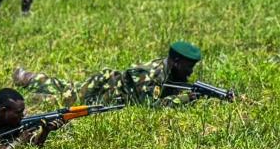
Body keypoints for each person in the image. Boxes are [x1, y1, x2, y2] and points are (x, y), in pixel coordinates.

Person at [12, 41, 207, 107]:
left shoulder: (170, 73)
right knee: (66, 99)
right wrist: (186, 98)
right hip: (104, 90)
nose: (190, 71)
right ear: (176, 61)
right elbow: (151, 106)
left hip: (108, 90)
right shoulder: (149, 74)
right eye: (188, 67)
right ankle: (28, 93)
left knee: (68, 87)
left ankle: (28, 78)